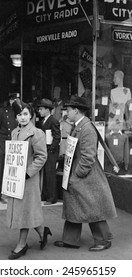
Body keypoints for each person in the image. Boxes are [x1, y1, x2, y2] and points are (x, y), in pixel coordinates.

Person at [54, 96, 117, 251]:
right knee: (75, 205)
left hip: (86, 175)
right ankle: (70, 240)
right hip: (80, 173)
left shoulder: (86, 128)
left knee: (92, 207)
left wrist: (77, 174)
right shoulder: (80, 126)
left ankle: (103, 239)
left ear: (76, 110)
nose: (66, 113)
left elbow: (88, 157)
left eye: (68, 110)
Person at [7, 103, 52, 260]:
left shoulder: (37, 133)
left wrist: (28, 173)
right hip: (16, 178)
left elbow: (42, 156)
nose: (23, 117)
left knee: (25, 210)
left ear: (31, 115)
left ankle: (21, 244)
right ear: (16, 117)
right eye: (20, 115)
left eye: (25, 114)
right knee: (26, 209)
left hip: (28, 179)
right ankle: (42, 231)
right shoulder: (14, 132)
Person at [0, 92, 21, 204]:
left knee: (14, 170)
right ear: (9, 101)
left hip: (15, 143)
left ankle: (13, 194)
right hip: (2, 142)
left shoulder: (20, 112)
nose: (13, 101)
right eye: (11, 99)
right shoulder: (2, 111)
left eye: (15, 100)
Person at [38, 98, 61, 205]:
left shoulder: (53, 121)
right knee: (46, 174)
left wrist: (51, 149)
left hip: (51, 152)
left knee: (50, 174)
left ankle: (52, 198)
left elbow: (57, 137)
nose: (39, 111)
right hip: (45, 150)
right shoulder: (43, 121)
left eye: (41, 109)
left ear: (47, 110)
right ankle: (45, 195)